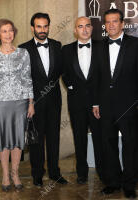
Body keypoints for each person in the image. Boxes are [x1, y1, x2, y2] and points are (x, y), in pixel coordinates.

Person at [92, 9, 138, 198]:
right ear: (104, 25)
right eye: (107, 22)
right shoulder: (99, 46)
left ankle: (129, 184)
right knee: (108, 144)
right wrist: (95, 103)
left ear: (122, 23)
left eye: (114, 21)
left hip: (129, 104)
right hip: (105, 105)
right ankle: (113, 181)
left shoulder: (135, 44)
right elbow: (96, 77)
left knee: (130, 145)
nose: (111, 25)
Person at [19, 12, 68, 186]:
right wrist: (27, 103)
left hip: (54, 101)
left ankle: (55, 172)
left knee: (54, 138)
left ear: (48, 26)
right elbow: (22, 79)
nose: (42, 30)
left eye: (45, 26)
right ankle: (37, 174)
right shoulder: (23, 49)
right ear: (32, 28)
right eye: (38, 26)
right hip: (33, 103)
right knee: (35, 141)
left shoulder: (57, 45)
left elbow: (62, 71)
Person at [0, 19, 35, 191]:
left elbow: (28, 79)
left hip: (20, 102)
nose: (8, 34)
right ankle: (5, 174)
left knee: (17, 140)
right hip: (0, 104)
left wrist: (31, 103)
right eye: (4, 31)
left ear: (14, 32)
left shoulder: (23, 53)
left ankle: (15, 173)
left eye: (10, 30)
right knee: (3, 140)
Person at [62, 17, 103, 184]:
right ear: (75, 30)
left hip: (98, 104)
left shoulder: (102, 47)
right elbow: (64, 73)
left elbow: (105, 76)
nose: (84, 29)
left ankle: (103, 172)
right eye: (80, 26)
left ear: (92, 29)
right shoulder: (66, 50)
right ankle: (82, 173)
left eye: (87, 26)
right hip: (76, 103)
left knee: (100, 138)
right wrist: (71, 86)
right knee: (79, 139)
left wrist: (97, 101)